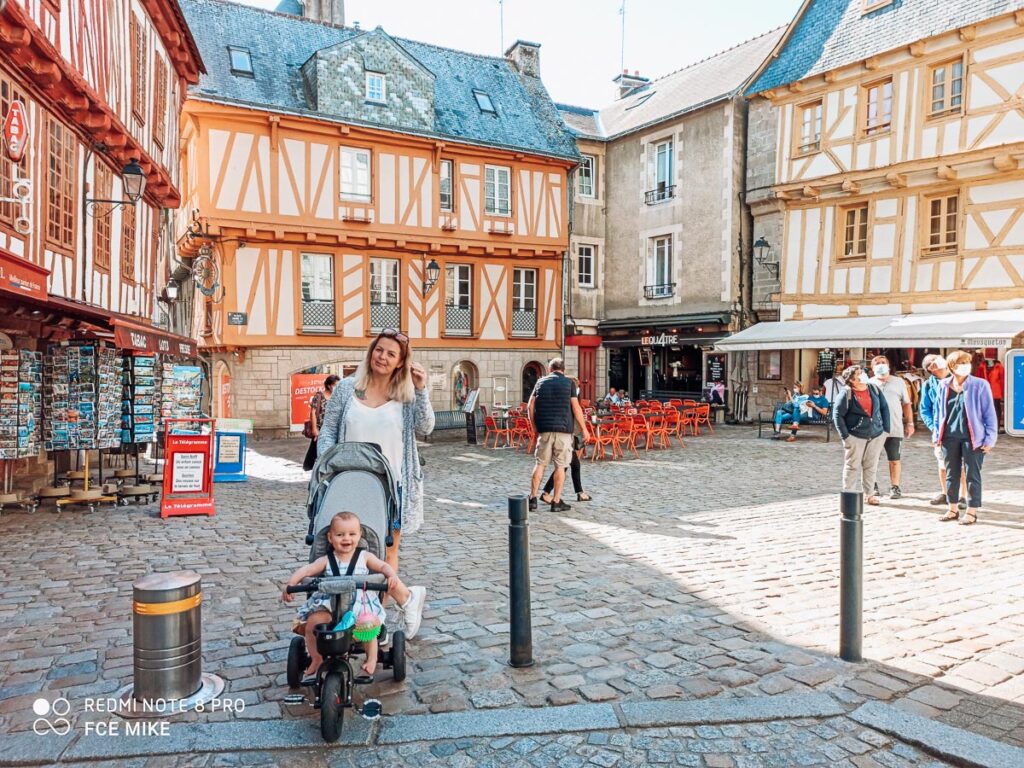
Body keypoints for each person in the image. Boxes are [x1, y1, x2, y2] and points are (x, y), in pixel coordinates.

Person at [317, 328, 434, 591]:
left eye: (391, 354)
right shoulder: (348, 388)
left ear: (401, 362)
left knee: (386, 552)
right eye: (379, 350)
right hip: (348, 480)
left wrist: (422, 390)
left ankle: (376, 620)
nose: (382, 357)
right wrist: (326, 464)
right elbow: (328, 430)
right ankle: (352, 606)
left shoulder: (406, 394)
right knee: (349, 547)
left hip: (391, 486)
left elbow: (425, 427)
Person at [283, 512, 425, 679]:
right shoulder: (326, 560)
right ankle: (316, 658)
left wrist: (391, 575)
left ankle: (372, 658)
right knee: (313, 622)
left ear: (360, 536)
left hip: (359, 604)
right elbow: (306, 570)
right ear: (330, 538)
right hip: (330, 604)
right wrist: (291, 584)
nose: (346, 539)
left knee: (368, 624)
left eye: (352, 534)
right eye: (339, 535)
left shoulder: (364, 557)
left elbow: (382, 566)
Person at [931, 351, 997, 526]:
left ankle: (971, 511)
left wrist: (990, 439)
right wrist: (936, 436)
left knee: (972, 475)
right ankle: (952, 508)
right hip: (949, 437)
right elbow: (938, 413)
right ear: (952, 367)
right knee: (951, 474)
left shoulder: (980, 385)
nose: (966, 365)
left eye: (967, 362)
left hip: (973, 438)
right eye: (961, 362)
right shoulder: (943, 385)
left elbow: (989, 414)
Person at [528, 358, 591, 512]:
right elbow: (576, 408)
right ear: (563, 369)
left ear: (550, 369)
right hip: (563, 431)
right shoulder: (569, 384)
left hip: (545, 430)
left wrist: (535, 427)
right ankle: (556, 502)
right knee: (561, 466)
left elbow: (530, 406)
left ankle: (532, 499)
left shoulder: (540, 383)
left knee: (540, 464)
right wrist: (584, 429)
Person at [833, 364, 891, 505]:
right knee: (852, 466)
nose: (863, 374)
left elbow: (884, 407)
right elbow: (837, 415)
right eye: (859, 373)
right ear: (852, 380)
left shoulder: (873, 388)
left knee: (871, 466)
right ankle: (849, 496)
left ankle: (869, 494)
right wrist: (845, 436)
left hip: (876, 434)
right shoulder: (846, 393)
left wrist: (886, 430)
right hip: (855, 435)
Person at [920, 354, 967, 510]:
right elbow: (925, 409)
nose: (941, 359)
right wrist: (934, 428)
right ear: (930, 368)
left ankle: (963, 496)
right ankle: (945, 493)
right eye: (936, 359)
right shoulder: (928, 385)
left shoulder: (961, 378)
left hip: (961, 428)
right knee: (942, 464)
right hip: (942, 431)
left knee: (961, 465)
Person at [868, 355, 914, 499]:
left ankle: (895, 486)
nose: (880, 365)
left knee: (894, 459)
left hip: (894, 427)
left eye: (883, 363)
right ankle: (872, 486)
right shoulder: (868, 383)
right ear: (872, 367)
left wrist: (910, 423)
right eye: (877, 363)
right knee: (871, 459)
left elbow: (907, 404)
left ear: (888, 365)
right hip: (874, 428)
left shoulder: (899, 382)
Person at [542, 377, 592, 503]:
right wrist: (583, 430)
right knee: (565, 466)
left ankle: (578, 492)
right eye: (577, 387)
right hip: (565, 435)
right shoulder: (569, 400)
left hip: (564, 435)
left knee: (571, 465)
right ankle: (547, 493)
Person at [303, 375, 340, 472]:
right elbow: (313, 412)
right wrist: (315, 429)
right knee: (317, 448)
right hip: (320, 428)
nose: (337, 387)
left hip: (332, 428)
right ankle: (313, 466)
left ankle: (327, 466)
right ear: (329, 385)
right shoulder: (319, 396)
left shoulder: (337, 397)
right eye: (335, 385)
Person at [988, 357, 1005, 431]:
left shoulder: (999, 367)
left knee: (996, 409)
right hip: (985, 392)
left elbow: (1002, 380)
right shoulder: (982, 367)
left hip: (995, 392)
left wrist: (1003, 393)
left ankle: (996, 427)